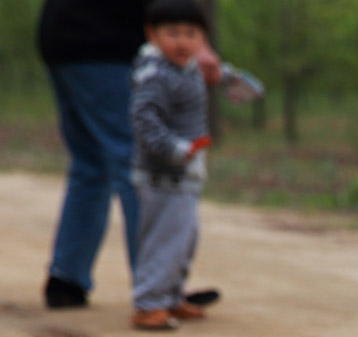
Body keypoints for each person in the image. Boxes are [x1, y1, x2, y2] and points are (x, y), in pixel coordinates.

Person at [37, 0, 221, 310]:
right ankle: (157, 287)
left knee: (91, 164)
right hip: (107, 41)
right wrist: (193, 39)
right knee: (140, 163)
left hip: (62, 36)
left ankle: (67, 277)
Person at [129, 0, 215, 330]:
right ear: (152, 35)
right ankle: (148, 304)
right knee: (164, 239)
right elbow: (144, 119)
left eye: (191, 34)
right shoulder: (156, 75)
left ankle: (171, 296)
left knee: (184, 237)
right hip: (162, 174)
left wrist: (234, 82)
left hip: (185, 174)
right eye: (173, 33)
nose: (182, 42)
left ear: (203, 39)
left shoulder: (187, 69)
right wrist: (175, 149)